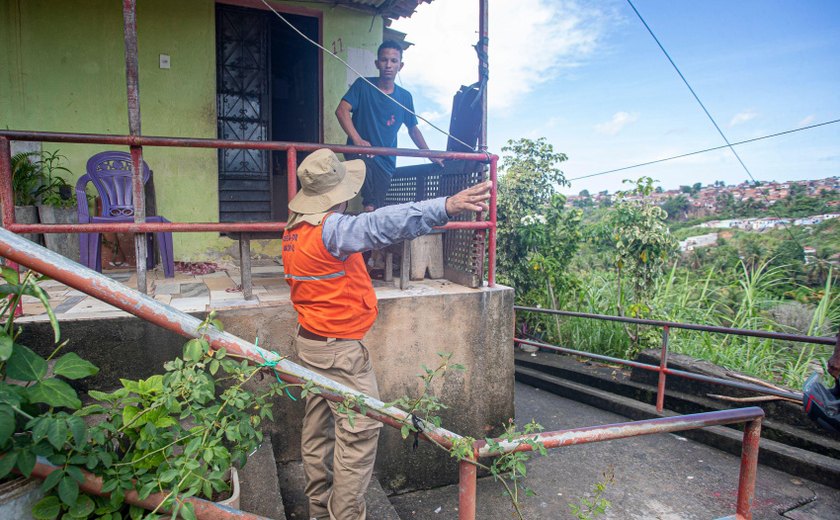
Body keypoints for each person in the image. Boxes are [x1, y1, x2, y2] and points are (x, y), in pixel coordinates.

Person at [281, 148, 491, 520]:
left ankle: (317, 510)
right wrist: (447, 205)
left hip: (309, 342)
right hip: (338, 352)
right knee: (358, 433)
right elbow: (383, 224)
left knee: (318, 427)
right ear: (338, 195)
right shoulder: (334, 229)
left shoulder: (294, 230)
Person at [335, 40, 443, 213]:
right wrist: (358, 140)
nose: (388, 65)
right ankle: (344, 221)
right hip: (360, 152)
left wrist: (430, 154)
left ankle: (368, 232)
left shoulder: (405, 97)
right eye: (384, 60)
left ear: (401, 66)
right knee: (362, 199)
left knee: (374, 207)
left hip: (386, 161)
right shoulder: (363, 85)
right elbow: (341, 110)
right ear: (377, 63)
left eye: (393, 61)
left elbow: (413, 129)